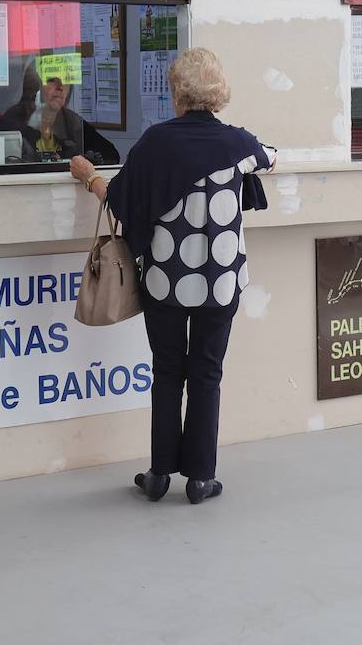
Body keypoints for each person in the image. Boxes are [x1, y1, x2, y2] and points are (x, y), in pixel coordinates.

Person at [70, 47, 276, 505]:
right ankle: (201, 479)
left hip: (164, 280)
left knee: (167, 373)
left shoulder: (155, 143)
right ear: (217, 92)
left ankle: (160, 474)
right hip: (221, 283)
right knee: (207, 373)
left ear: (177, 94)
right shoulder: (239, 143)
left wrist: (87, 176)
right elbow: (270, 158)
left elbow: (120, 202)